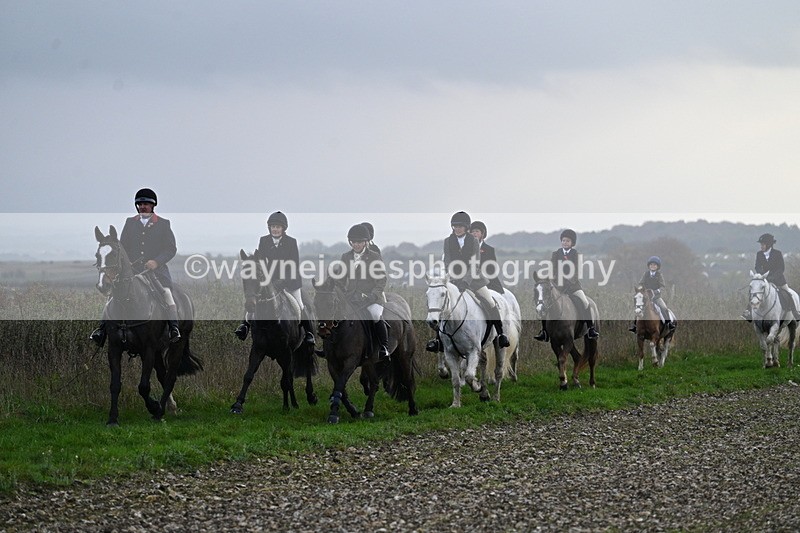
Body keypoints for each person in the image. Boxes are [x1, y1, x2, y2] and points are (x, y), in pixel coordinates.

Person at [89, 188, 181, 346]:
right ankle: (101, 330)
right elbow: (123, 248)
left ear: (153, 206)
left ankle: (174, 328)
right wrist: (128, 264)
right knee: (112, 296)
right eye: (140, 204)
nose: (142, 207)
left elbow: (170, 249)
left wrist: (156, 262)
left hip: (156, 272)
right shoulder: (130, 223)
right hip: (133, 271)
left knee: (166, 294)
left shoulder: (164, 224)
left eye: (146, 204)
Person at [426, 211, 510, 352]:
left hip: (474, 280)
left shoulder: (473, 241)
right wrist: (452, 278)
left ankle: (501, 334)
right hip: (453, 279)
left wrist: (465, 281)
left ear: (466, 227)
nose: (456, 229)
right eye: (454, 226)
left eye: (459, 226)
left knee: (490, 302)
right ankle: (438, 340)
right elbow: (447, 262)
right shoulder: (448, 241)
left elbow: (474, 263)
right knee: (443, 305)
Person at [234, 211, 316, 345]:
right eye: (273, 227)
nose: (275, 229)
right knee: (254, 299)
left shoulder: (291, 242)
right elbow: (261, 263)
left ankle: (309, 333)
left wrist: (282, 282)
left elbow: (293, 265)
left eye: (278, 227)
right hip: (270, 281)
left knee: (300, 305)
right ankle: (244, 326)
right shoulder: (264, 240)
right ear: (269, 228)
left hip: (290, 281)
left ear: (283, 228)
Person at [534, 229, 599, 342]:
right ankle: (544, 331)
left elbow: (577, 271)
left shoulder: (576, 255)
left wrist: (570, 281)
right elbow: (553, 269)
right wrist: (553, 279)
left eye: (567, 241)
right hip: (558, 285)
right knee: (546, 302)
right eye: (563, 240)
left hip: (573, 286)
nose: (565, 242)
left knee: (584, 302)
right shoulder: (556, 254)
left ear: (572, 243)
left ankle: (590, 328)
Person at [340, 223, 390, 361]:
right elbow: (341, 278)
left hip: (370, 297)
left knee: (375, 314)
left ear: (366, 242)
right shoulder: (345, 257)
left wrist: (373, 295)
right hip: (351, 297)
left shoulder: (374, 256)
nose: (356, 245)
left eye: (360, 242)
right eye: (354, 242)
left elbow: (381, 280)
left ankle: (384, 347)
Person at [742, 233, 800, 321]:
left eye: (763, 244)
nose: (761, 246)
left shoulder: (777, 253)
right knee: (754, 291)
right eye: (761, 244)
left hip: (778, 280)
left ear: (768, 245)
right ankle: (748, 312)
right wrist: (762, 275)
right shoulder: (759, 254)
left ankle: (795, 312)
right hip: (764, 279)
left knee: (788, 293)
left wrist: (772, 277)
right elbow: (757, 266)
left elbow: (781, 268)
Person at [628, 256, 675, 333]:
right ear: (649, 266)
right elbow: (641, 283)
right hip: (646, 298)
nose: (652, 266)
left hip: (656, 297)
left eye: (654, 265)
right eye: (651, 265)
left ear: (657, 267)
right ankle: (634, 325)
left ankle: (669, 323)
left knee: (664, 308)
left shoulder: (659, 275)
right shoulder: (646, 274)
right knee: (638, 309)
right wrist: (640, 290)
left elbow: (662, 286)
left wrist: (656, 291)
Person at [469, 220, 504, 294]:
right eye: (472, 231)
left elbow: (491, 269)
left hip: (487, 281)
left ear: (482, 234)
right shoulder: (466, 249)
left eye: (477, 231)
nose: (474, 233)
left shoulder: (489, 250)